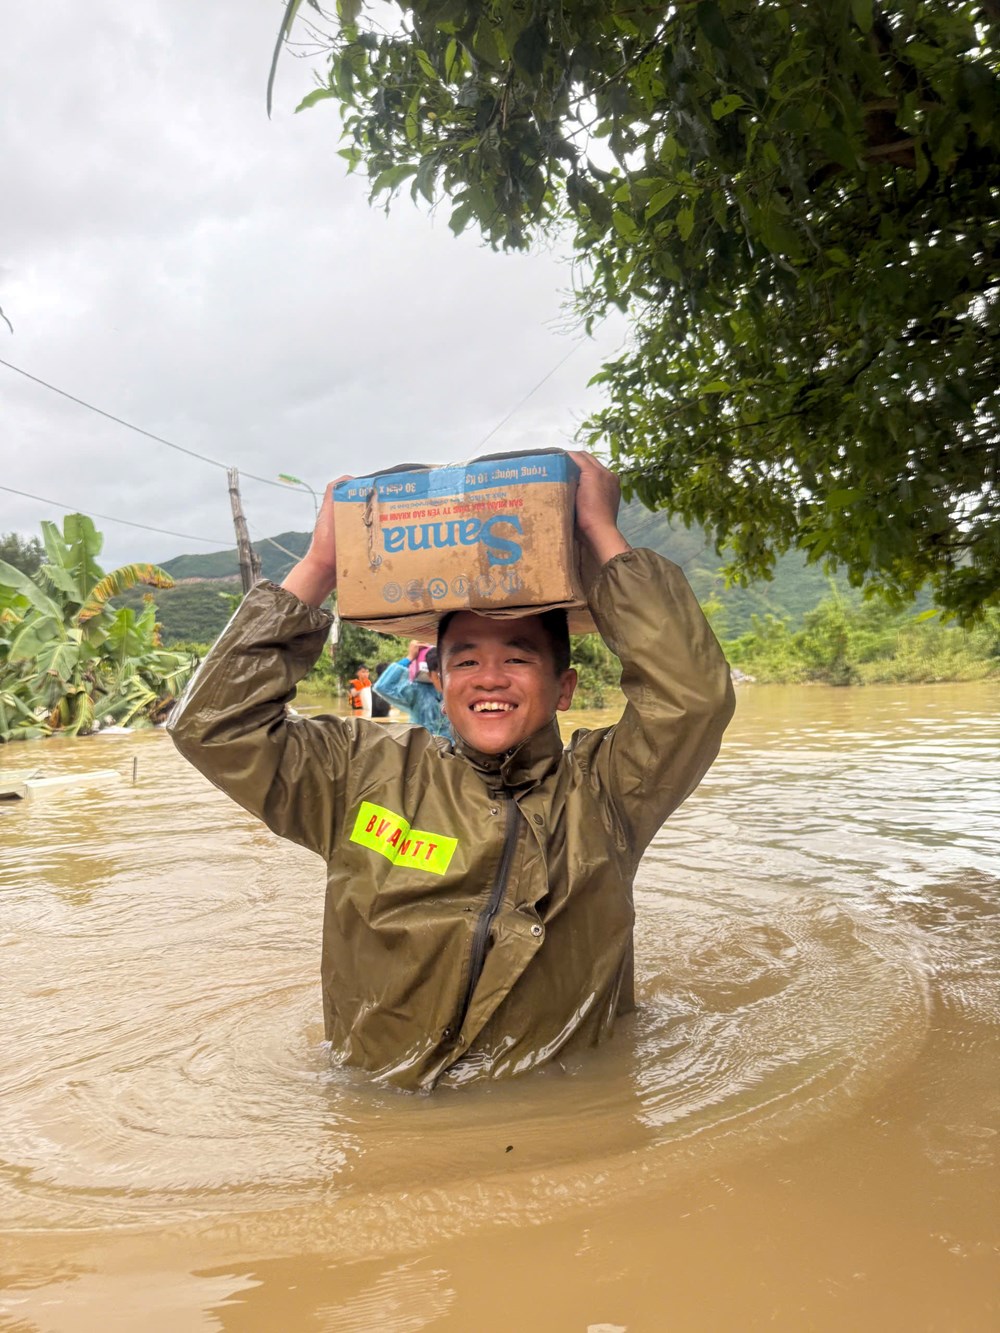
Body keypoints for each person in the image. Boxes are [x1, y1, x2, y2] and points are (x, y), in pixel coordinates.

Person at [168, 452, 735, 1091]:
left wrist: (601, 532)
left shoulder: (606, 791)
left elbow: (694, 699)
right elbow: (211, 725)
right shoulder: (358, 774)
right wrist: (321, 565)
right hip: (383, 1112)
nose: (490, 678)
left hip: (554, 1115)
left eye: (517, 658)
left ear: (564, 686)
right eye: (465, 662)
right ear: (437, 680)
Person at [372, 642, 451, 739]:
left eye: (447, 674)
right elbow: (383, 686)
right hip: (422, 746)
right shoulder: (418, 691)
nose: (444, 681)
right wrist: (409, 658)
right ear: (429, 675)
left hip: (453, 749)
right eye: (438, 676)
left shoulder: (458, 691)